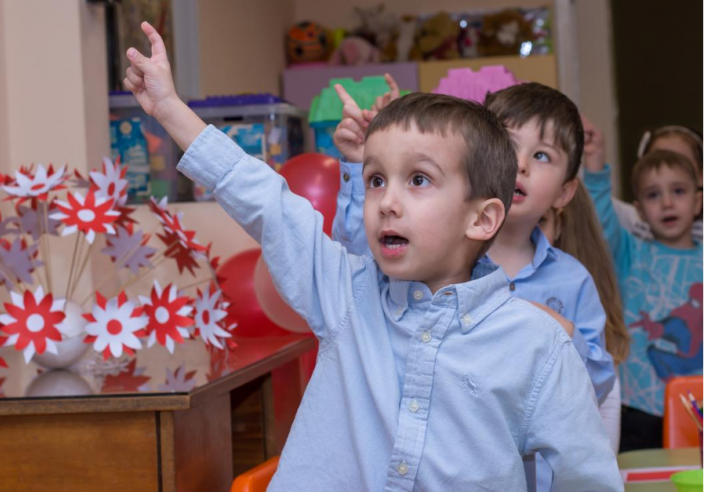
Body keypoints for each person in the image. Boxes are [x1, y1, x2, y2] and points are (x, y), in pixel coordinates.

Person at [123, 22, 622, 491]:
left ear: (482, 219)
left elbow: (589, 477)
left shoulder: (536, 345)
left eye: (419, 180)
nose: (387, 200)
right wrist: (169, 108)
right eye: (376, 179)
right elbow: (266, 202)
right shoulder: (344, 293)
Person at [333, 80, 617, 490]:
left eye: (541, 155)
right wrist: (368, 162)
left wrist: (559, 332)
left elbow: (596, 384)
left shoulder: (572, 280)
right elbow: (361, 256)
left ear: (565, 191)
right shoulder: (432, 254)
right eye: (507, 143)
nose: (519, 164)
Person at [583, 117, 704, 452]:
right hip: (638, 407)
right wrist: (595, 166)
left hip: (699, 402)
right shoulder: (628, 251)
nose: (667, 203)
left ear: (697, 201)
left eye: (678, 191)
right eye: (654, 195)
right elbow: (601, 218)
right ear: (639, 209)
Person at [538, 183, 631, 453]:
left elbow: (605, 397)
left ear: (560, 227)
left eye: (540, 221)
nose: (525, 234)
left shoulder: (577, 283)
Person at [613, 125, 704, 241]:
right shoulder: (635, 234)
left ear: (702, 175)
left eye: (678, 191)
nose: (667, 203)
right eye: (657, 161)